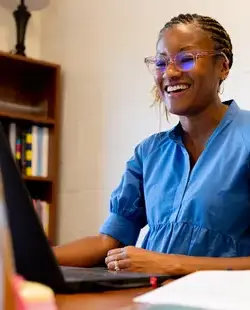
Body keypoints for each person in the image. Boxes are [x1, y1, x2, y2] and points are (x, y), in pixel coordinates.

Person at [54, 13, 250, 276]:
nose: (169, 72)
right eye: (161, 62)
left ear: (222, 67)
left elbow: (167, 264)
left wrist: (172, 264)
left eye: (187, 59)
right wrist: (25, 257)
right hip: (151, 298)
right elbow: (108, 243)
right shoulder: (149, 153)